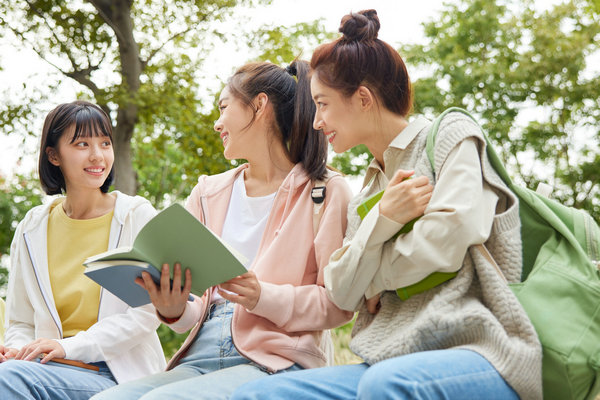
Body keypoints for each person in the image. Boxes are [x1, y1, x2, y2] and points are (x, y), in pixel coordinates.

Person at [231, 9, 543, 400]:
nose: (315, 122)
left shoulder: (451, 136)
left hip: (480, 349)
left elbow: (449, 239)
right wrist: (381, 219)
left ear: (362, 98)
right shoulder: (365, 194)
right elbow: (342, 290)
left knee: (387, 385)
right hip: (387, 357)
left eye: (323, 104)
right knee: (258, 395)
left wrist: (372, 277)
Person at [91, 59, 354, 400]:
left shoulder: (325, 191)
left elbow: (338, 304)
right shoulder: (208, 193)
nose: (217, 124)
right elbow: (194, 309)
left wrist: (263, 297)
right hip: (199, 356)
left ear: (259, 106)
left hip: (275, 360)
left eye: (223, 108)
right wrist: (172, 308)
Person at [0, 101, 166, 399]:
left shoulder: (135, 216)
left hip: (116, 374)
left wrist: (68, 347)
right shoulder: (31, 228)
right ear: (53, 155)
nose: (97, 155)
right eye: (82, 144)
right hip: (46, 368)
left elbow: (146, 314)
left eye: (104, 143)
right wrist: (17, 350)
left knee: (9, 379)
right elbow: (21, 320)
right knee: (9, 373)